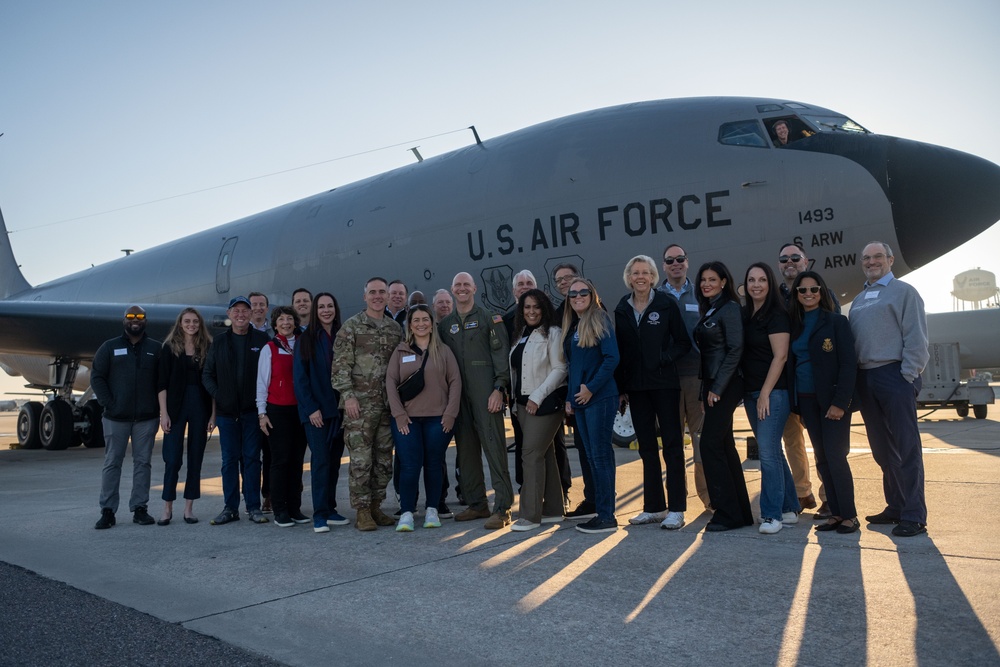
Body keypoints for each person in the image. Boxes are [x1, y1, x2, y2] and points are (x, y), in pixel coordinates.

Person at [850, 241, 930, 537]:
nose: (872, 262)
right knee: (883, 450)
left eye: (878, 257)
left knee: (907, 448)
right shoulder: (860, 299)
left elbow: (917, 338)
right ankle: (895, 505)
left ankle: (914, 514)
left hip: (894, 375)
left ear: (890, 260)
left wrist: (907, 375)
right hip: (866, 378)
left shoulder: (904, 292)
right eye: (867, 258)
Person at [614, 255, 692, 530]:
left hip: (665, 385)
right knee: (647, 448)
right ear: (629, 277)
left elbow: (683, 342)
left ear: (653, 277)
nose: (641, 277)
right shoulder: (622, 308)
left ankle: (677, 509)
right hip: (636, 388)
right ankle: (654, 507)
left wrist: (663, 358)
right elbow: (620, 352)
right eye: (635, 272)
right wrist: (622, 388)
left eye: (646, 272)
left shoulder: (665, 304)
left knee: (672, 446)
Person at [438, 272, 514, 530]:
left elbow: (501, 354)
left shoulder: (489, 319)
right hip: (459, 399)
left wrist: (498, 388)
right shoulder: (445, 325)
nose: (461, 289)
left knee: (494, 448)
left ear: (474, 289)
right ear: (452, 289)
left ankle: (502, 508)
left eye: (466, 285)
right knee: (466, 452)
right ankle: (477, 504)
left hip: (486, 395)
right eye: (457, 285)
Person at [789, 271, 860, 534]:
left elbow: (849, 364)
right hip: (807, 401)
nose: (808, 294)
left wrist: (841, 402)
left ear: (822, 292)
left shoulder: (836, 322)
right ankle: (836, 513)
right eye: (803, 290)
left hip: (833, 401)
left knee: (835, 456)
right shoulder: (794, 324)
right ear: (796, 294)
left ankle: (850, 515)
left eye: (814, 289)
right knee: (821, 458)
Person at [331, 277, 403, 531]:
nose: (377, 296)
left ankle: (376, 506)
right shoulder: (351, 328)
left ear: (387, 296)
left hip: (387, 407)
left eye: (381, 292)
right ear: (365, 297)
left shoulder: (395, 329)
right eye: (372, 292)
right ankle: (362, 510)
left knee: (384, 460)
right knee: (361, 461)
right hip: (359, 407)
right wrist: (348, 396)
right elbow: (340, 367)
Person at [386, 305, 462, 532]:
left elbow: (455, 382)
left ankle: (432, 510)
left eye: (425, 319)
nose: (421, 323)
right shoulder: (400, 351)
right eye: (416, 320)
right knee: (409, 466)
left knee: (433, 465)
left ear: (431, 323)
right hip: (407, 420)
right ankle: (407, 512)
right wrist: (398, 415)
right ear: (410, 325)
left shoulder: (443, 351)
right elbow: (390, 382)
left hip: (438, 420)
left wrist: (450, 414)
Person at [693, 262, 753, 532]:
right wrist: (706, 390)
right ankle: (739, 511)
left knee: (710, 445)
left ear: (724, 282)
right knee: (724, 445)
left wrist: (717, 387)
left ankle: (727, 512)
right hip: (714, 384)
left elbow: (735, 349)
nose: (707, 284)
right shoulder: (713, 308)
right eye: (703, 280)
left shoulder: (729, 308)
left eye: (712, 279)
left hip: (726, 384)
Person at [741, 262, 800, 534]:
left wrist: (765, 393)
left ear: (770, 283)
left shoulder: (776, 314)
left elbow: (781, 356)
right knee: (773, 451)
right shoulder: (746, 314)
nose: (756, 285)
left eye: (762, 280)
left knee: (766, 453)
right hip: (752, 392)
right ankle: (789, 508)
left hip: (773, 393)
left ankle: (771, 515)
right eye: (751, 280)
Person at [92, 306, 162, 529]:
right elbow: (97, 377)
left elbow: (162, 381)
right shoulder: (109, 347)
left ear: (145, 321)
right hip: (115, 418)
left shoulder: (155, 349)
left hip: (146, 418)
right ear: (124, 320)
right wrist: (109, 403)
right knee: (112, 463)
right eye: (130, 316)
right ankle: (108, 511)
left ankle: (140, 508)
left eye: (139, 317)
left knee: (143, 463)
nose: (135, 320)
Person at [203, 296, 271, 525]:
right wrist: (219, 395)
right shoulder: (219, 343)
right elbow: (207, 374)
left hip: (252, 413)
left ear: (251, 314)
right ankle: (230, 508)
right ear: (229, 314)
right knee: (229, 461)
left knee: (252, 460)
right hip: (226, 414)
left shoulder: (262, 340)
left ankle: (253, 507)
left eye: (245, 310)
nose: (241, 314)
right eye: (236, 311)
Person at [563, 278, 620, 534]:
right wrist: (569, 396)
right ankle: (599, 509)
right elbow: (574, 365)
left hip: (599, 398)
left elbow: (611, 358)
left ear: (592, 294)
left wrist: (590, 388)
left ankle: (607, 516)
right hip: (581, 401)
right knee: (590, 456)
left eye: (582, 292)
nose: (577, 296)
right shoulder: (575, 324)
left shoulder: (600, 318)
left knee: (600, 456)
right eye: (573, 293)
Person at [509, 289, 568, 531]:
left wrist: (536, 397)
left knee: (531, 455)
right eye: (527, 307)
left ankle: (529, 516)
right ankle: (554, 509)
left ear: (544, 309)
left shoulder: (552, 333)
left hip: (544, 404)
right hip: (522, 406)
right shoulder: (521, 333)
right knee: (546, 454)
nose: (531, 311)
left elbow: (560, 369)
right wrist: (515, 401)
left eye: (536, 307)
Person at [658, 244, 710, 510]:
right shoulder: (656, 297)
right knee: (672, 443)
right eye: (670, 260)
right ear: (664, 266)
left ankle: (709, 498)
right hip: (668, 381)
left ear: (687, 262)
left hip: (696, 377)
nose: (676, 263)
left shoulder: (700, 293)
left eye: (680, 259)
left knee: (702, 439)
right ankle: (677, 499)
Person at [776, 242, 826, 517]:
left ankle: (828, 495)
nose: (789, 262)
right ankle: (802, 493)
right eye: (784, 259)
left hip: (813, 382)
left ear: (807, 262)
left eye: (795, 257)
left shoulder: (820, 293)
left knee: (821, 441)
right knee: (792, 440)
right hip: (786, 381)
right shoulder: (778, 297)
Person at [293, 292, 349, 533]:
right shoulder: (305, 339)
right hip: (316, 413)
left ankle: (330, 508)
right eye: (322, 307)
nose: (326, 310)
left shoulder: (342, 336)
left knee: (334, 462)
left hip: (338, 411)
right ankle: (319, 515)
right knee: (321, 462)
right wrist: (311, 409)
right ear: (315, 311)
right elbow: (300, 379)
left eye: (330, 306)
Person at [156, 307, 214, 525]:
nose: (191, 325)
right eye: (187, 321)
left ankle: (189, 508)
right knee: (172, 458)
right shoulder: (169, 348)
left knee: (195, 458)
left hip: (200, 405)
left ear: (200, 324)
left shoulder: (207, 347)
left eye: (195, 322)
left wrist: (213, 415)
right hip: (175, 407)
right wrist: (164, 413)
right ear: (180, 324)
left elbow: (212, 383)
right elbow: (161, 384)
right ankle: (167, 507)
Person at [257, 306, 309, 529]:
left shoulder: (303, 346)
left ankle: (294, 507)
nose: (286, 323)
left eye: (289, 319)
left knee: (297, 461)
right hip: (277, 410)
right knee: (280, 461)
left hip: (300, 410)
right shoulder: (269, 348)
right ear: (275, 324)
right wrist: (262, 413)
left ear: (295, 322)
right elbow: (262, 383)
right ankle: (279, 509)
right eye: (281, 319)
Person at [552, 262, 597, 520]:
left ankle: (602, 499)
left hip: (594, 391)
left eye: (567, 278)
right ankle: (592, 498)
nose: (564, 283)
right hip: (574, 393)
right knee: (582, 447)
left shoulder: (594, 312)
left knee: (597, 451)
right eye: (559, 281)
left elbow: (609, 356)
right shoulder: (561, 314)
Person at [502, 269, 537, 486]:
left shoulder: (549, 316)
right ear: (514, 290)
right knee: (522, 441)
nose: (524, 286)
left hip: (547, 392)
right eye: (520, 284)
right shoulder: (506, 321)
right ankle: (525, 488)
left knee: (555, 443)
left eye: (529, 283)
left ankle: (562, 490)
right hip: (518, 394)